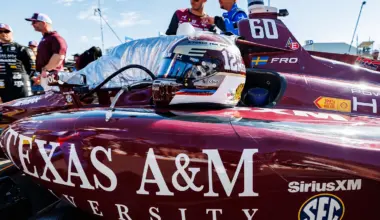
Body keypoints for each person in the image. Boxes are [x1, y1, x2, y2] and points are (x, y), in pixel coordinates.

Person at [25, 13, 68, 91]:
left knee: (55, 100)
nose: (32, 24)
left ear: (43, 23)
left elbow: (59, 57)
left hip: (53, 76)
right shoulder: (45, 38)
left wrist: (45, 70)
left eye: (34, 22)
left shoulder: (55, 38)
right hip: (48, 75)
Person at [0, 23, 36, 102]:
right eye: (0, 32)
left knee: (26, 108)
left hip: (21, 85)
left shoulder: (22, 49)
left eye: (6, 31)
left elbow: (32, 68)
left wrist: (21, 77)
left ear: (11, 33)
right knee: (6, 111)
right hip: (3, 86)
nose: (3, 34)